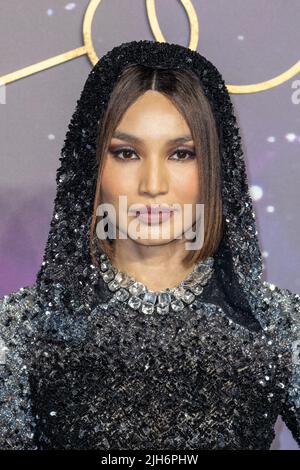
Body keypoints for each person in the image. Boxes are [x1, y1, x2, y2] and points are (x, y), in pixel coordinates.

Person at [0, 39, 299, 450]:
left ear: (214, 165)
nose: (153, 185)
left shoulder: (278, 326)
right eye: (126, 153)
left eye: (181, 154)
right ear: (91, 166)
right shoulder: (22, 328)